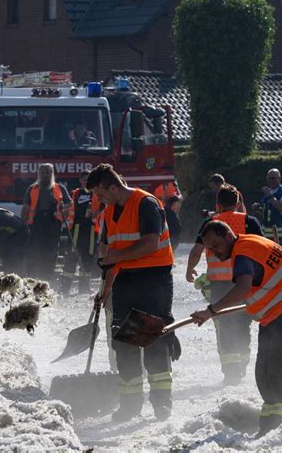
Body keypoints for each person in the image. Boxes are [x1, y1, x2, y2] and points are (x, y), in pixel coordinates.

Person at [191, 221, 282, 436]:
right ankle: (269, 421)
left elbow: (242, 288)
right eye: (209, 249)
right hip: (276, 311)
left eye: (216, 245)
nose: (214, 252)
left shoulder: (243, 253)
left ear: (229, 235)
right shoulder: (245, 246)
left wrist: (211, 311)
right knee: (265, 368)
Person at [86, 163, 178, 422]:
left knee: (153, 341)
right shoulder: (109, 212)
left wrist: (116, 257)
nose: (99, 199)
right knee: (124, 344)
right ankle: (130, 404)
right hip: (125, 283)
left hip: (153, 281)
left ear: (113, 187)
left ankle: (162, 404)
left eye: (101, 194)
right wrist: (105, 289)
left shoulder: (146, 203)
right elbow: (108, 255)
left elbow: (150, 243)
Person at [186, 185, 263, 385]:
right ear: (238, 203)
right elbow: (261, 249)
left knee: (223, 326)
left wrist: (189, 269)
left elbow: (196, 251)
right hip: (245, 282)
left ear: (217, 204)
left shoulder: (210, 223)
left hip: (218, 285)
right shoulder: (249, 221)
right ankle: (243, 362)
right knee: (243, 324)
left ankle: (231, 372)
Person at [21, 163, 71, 280]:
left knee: (51, 251)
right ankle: (32, 278)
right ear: (38, 174)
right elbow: (26, 207)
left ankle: (47, 277)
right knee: (34, 251)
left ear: (52, 174)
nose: (45, 175)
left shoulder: (60, 188)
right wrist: (22, 224)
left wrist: (63, 210)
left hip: (53, 224)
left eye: (48, 172)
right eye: (43, 172)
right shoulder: (32, 188)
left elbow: (69, 203)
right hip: (36, 224)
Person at [60, 171, 102, 295]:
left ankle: (83, 287)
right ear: (80, 180)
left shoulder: (97, 194)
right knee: (72, 257)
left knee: (88, 257)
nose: (86, 181)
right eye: (84, 179)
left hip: (91, 230)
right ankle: (65, 287)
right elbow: (68, 208)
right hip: (76, 229)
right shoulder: (75, 193)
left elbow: (103, 211)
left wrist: (95, 214)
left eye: (89, 179)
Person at [252, 168, 282, 249]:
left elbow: (281, 209)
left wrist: (270, 196)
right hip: (267, 234)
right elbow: (268, 213)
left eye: (273, 178)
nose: (271, 181)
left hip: (281, 235)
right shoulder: (269, 192)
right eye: (269, 178)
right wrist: (258, 209)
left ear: (280, 178)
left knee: (281, 258)